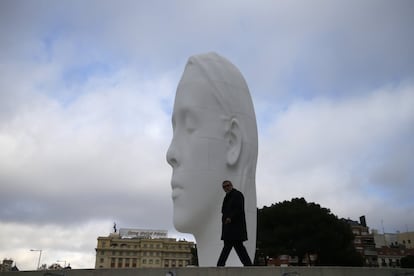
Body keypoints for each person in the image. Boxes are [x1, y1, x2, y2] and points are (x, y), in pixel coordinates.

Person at [166, 52, 258, 266]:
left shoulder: (235, 197)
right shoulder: (232, 197)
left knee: (232, 250)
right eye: (174, 129)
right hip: (230, 232)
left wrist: (228, 218)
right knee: (232, 250)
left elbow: (233, 211)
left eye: (189, 127)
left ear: (232, 142)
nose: (170, 154)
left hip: (231, 231)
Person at [217, 180, 253, 266]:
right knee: (238, 247)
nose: (226, 188)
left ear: (231, 185)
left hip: (235, 227)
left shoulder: (237, 195)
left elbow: (239, 209)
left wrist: (230, 217)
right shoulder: (227, 197)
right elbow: (224, 211)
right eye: (224, 187)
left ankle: (220, 265)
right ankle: (248, 265)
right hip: (229, 227)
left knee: (229, 246)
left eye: (227, 185)